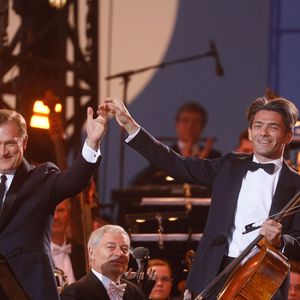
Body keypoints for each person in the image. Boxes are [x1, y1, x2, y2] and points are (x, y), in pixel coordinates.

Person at [101, 96, 300, 300]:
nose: (264, 133)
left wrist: (281, 240)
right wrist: (131, 126)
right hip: (213, 274)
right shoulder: (229, 165)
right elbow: (175, 163)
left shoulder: (296, 186)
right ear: (250, 132)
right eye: (258, 126)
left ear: (288, 135)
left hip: (263, 279)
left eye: (273, 127)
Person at [0, 106, 106, 300]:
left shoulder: (40, 178)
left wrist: (92, 142)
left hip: (28, 288)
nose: (2, 151)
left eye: (10, 143)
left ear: (24, 142)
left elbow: (75, 180)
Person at [131, 101, 221, 185]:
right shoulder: (163, 156)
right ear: (176, 124)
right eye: (185, 121)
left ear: (202, 126)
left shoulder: (214, 157)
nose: (190, 126)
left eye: (196, 122)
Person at [60, 224, 145, 300]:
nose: (119, 253)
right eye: (111, 247)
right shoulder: (75, 293)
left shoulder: (135, 293)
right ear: (92, 252)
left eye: (125, 249)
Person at [51, 199, 86, 284]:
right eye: (51, 211)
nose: (56, 217)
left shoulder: (83, 253)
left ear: (69, 214)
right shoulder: (33, 256)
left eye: (60, 210)